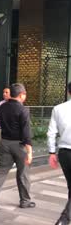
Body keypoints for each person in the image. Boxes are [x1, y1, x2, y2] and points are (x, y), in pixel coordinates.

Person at [0, 83, 35, 211]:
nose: (25, 96)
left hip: (5, 142)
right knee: (23, 173)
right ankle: (25, 201)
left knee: (0, 170)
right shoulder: (23, 110)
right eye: (24, 94)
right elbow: (26, 132)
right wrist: (29, 151)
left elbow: (0, 122)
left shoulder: (2, 107)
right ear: (21, 95)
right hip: (19, 145)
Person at [47, 82, 71, 225]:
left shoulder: (58, 109)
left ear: (68, 91)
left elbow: (51, 132)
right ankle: (64, 218)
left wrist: (51, 152)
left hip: (64, 153)